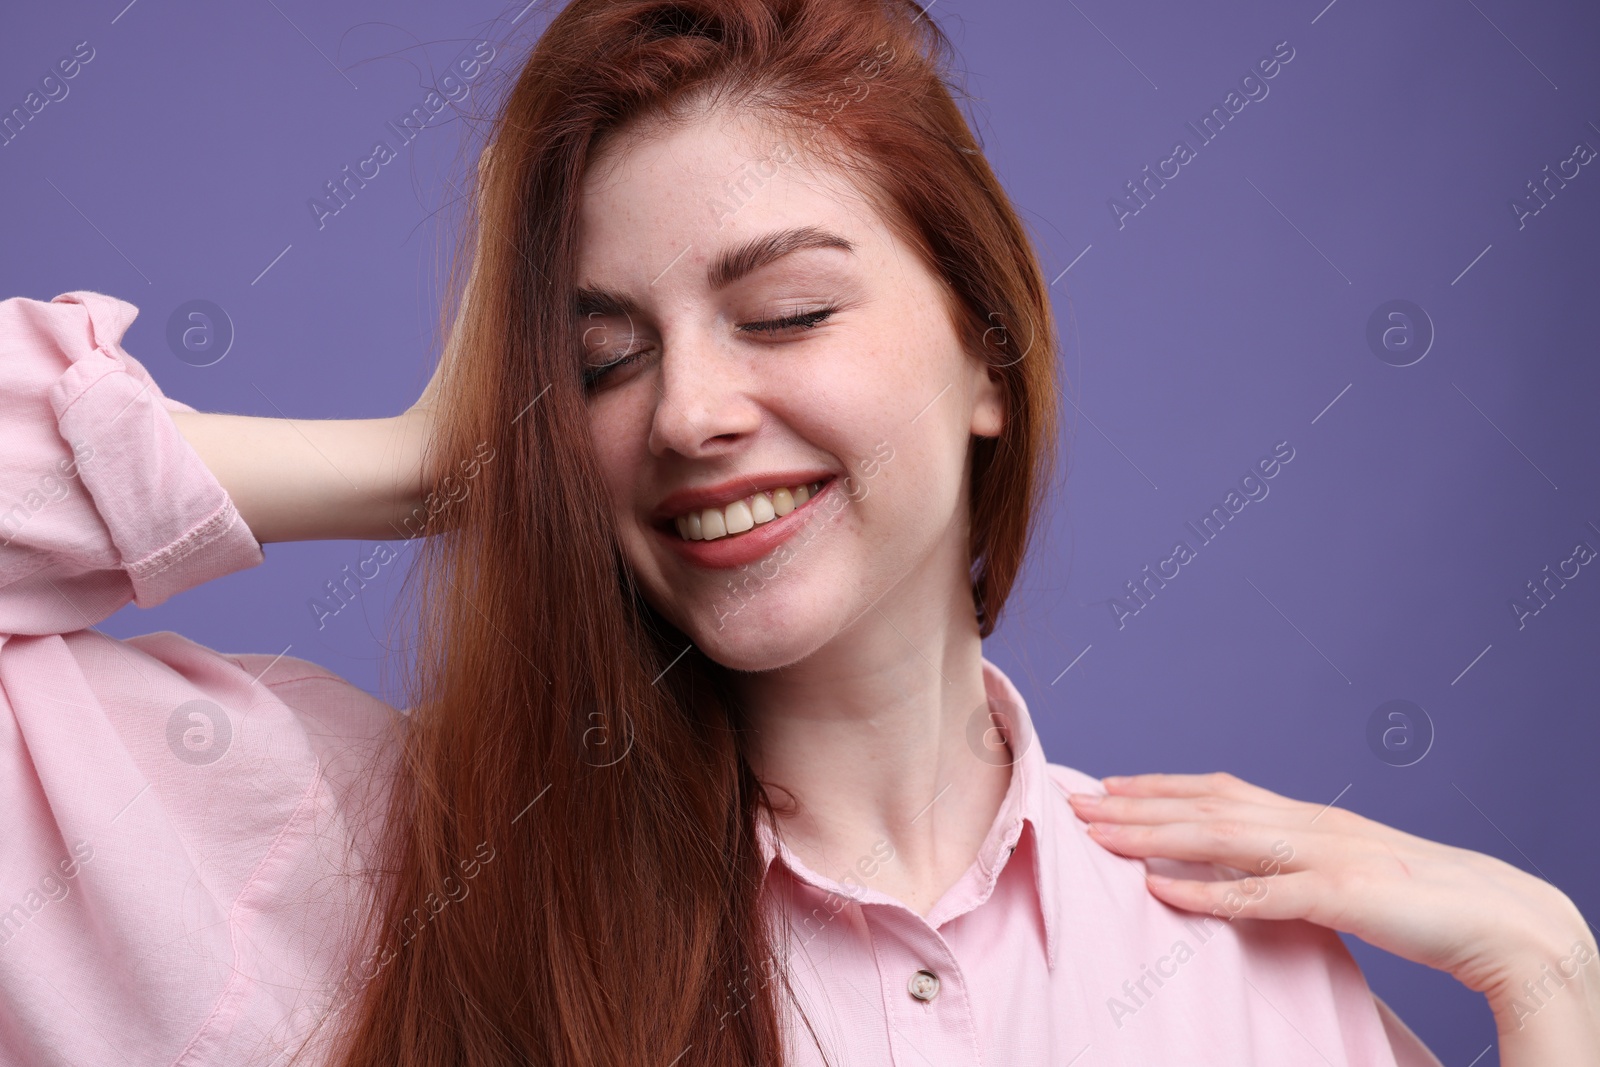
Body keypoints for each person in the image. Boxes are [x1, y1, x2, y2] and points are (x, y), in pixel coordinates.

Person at [1, 0, 1594, 1064]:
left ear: (987, 346)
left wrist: (1550, 983)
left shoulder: (1252, 980)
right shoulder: (350, 860)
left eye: (785, 310)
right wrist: (434, 456)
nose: (687, 411)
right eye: (604, 358)